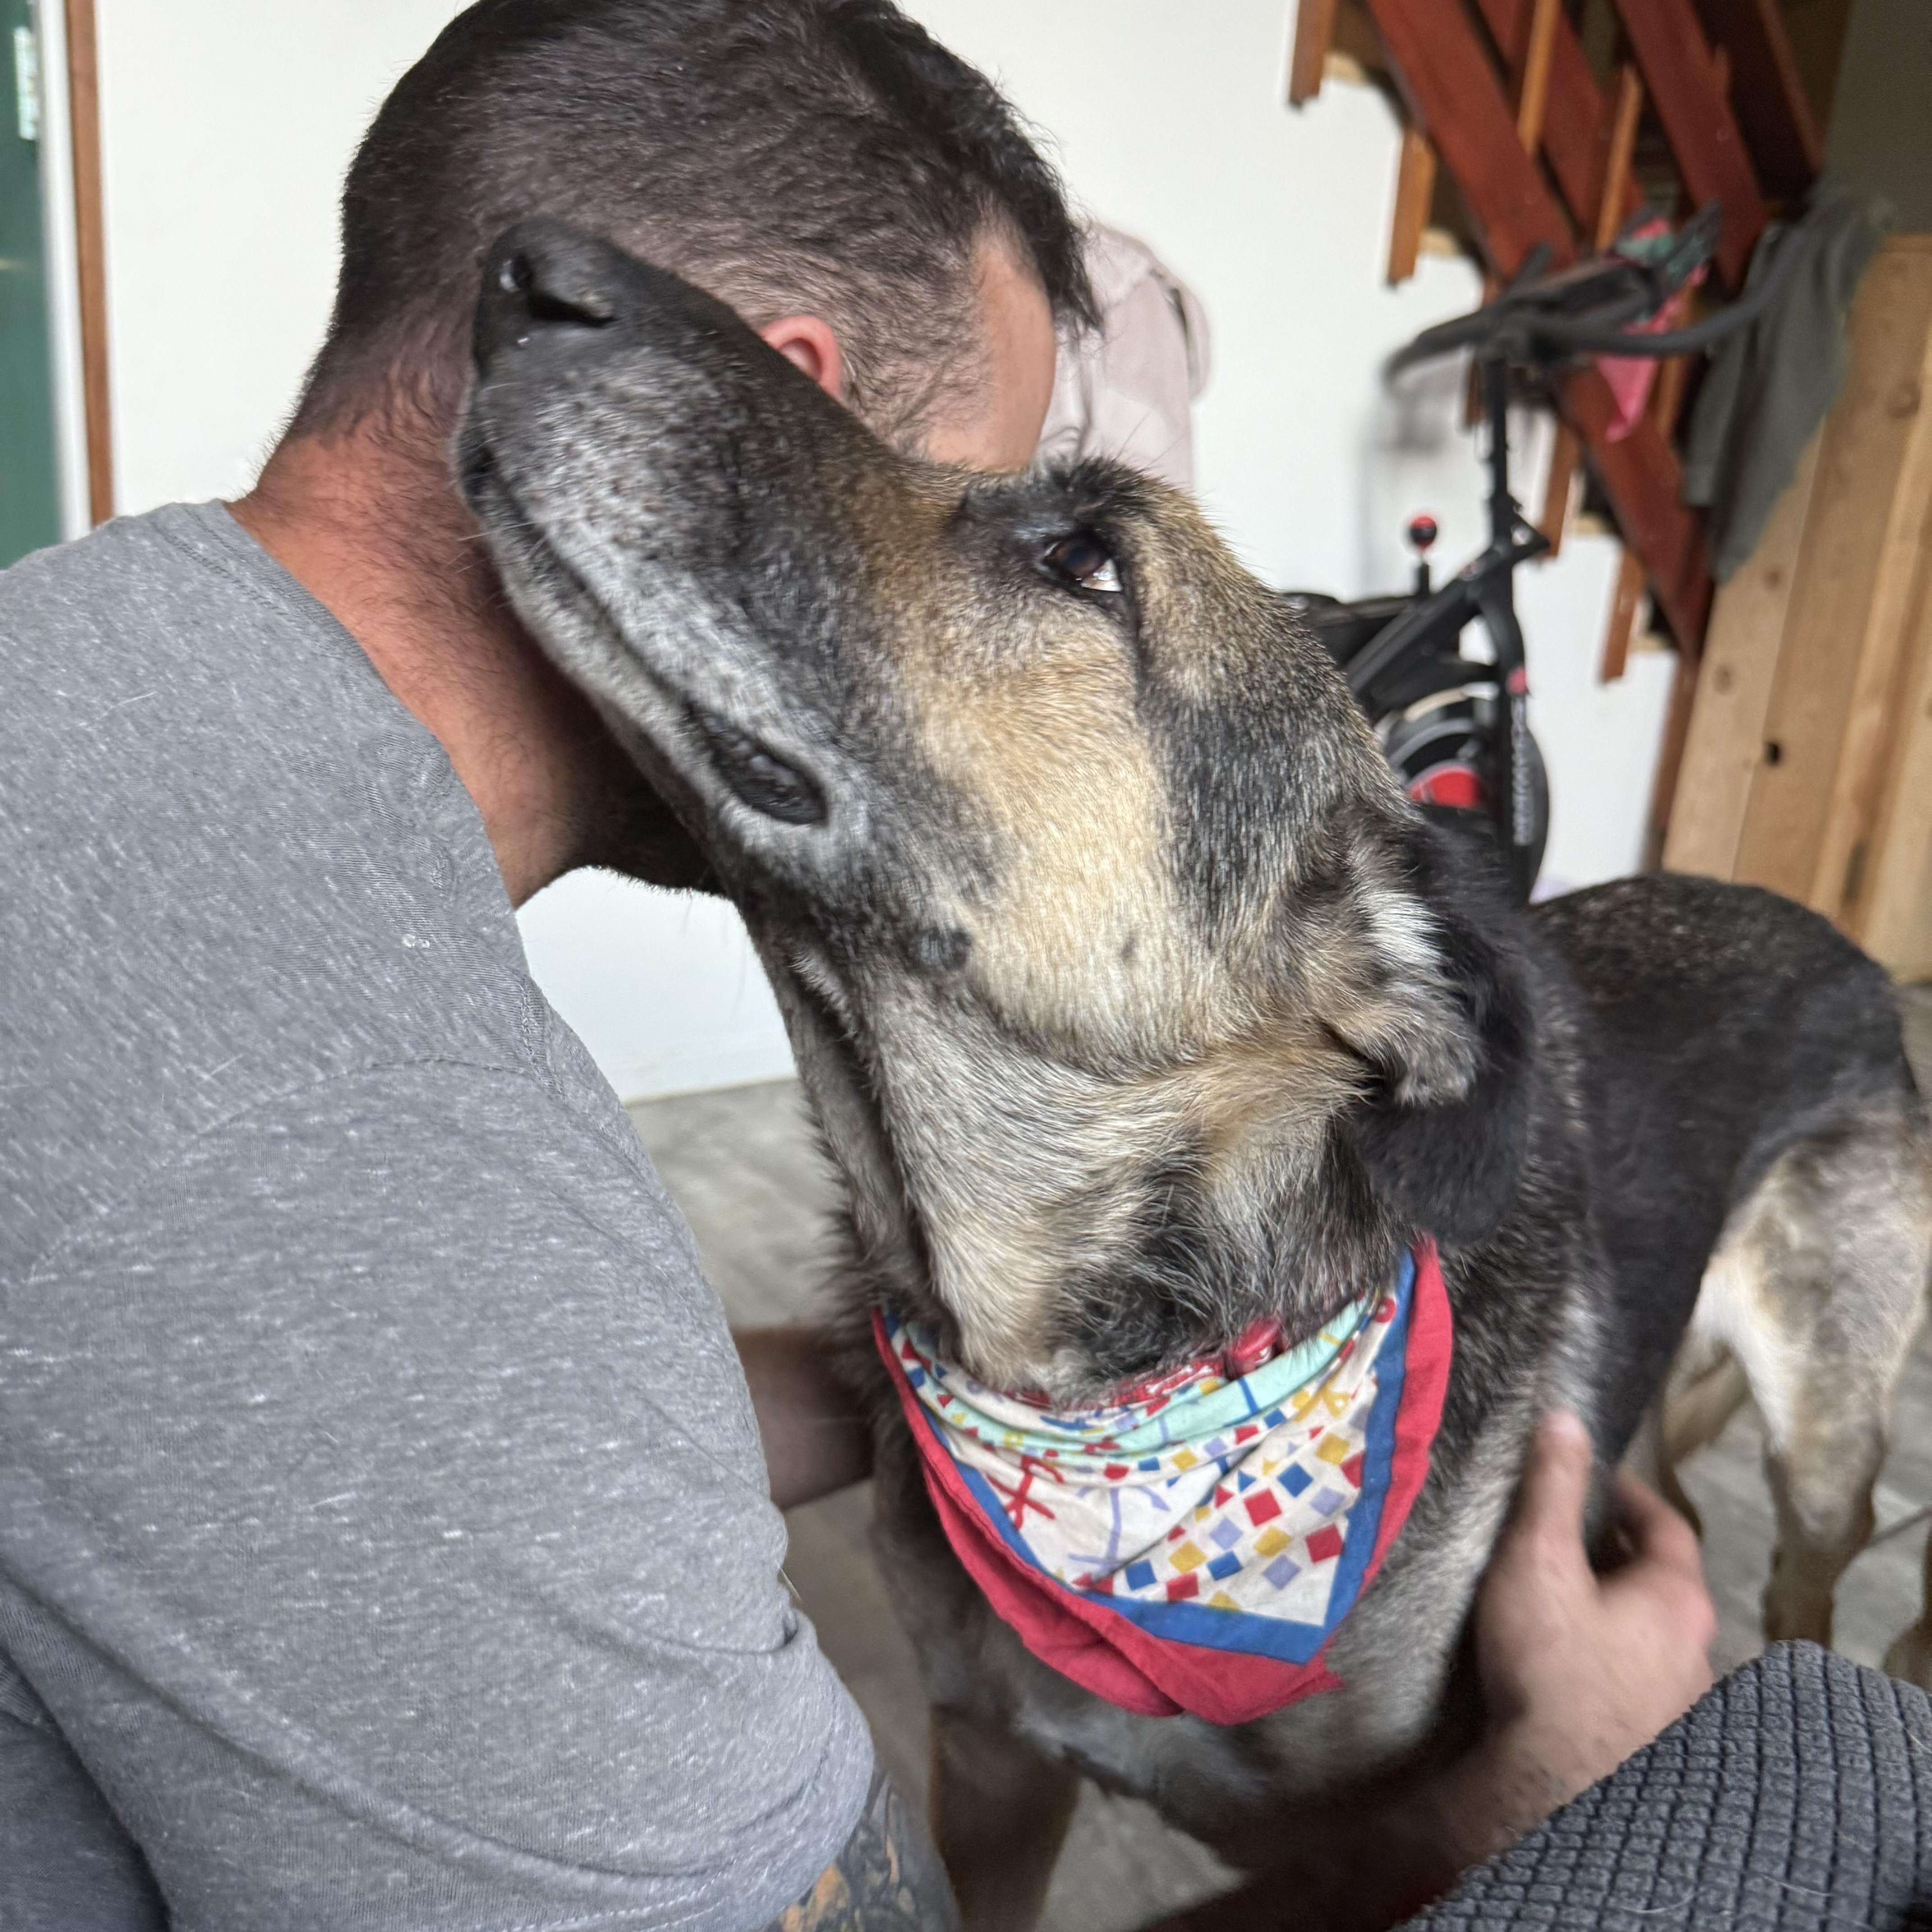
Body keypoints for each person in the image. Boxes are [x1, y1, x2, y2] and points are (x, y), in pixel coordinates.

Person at [0, 6, 1725, 1930]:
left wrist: (923, 1392)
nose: (982, 544)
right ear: (775, 413)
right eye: (1050, 542)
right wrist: (1544, 1793)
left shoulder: (84, 686)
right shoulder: (342, 1155)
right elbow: (401, 1367)